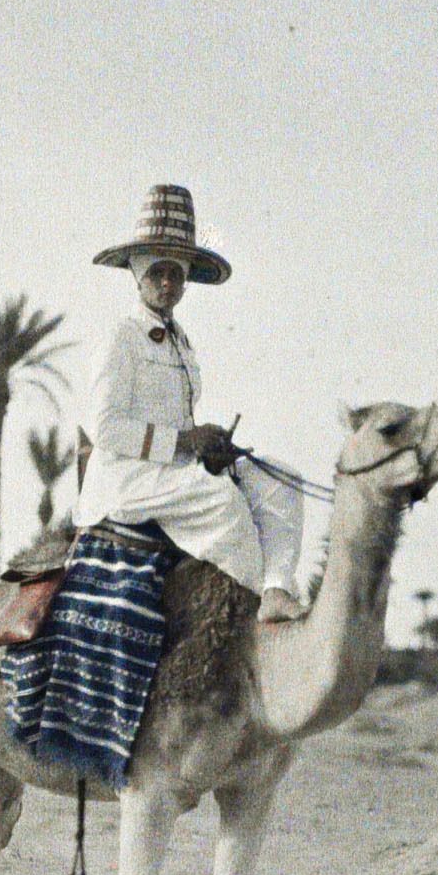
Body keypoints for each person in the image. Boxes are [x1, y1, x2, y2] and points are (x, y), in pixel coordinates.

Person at [75, 184, 306, 622]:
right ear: (138, 276)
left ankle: (276, 590)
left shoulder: (180, 340)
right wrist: (185, 442)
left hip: (173, 469)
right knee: (224, 503)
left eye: (175, 274)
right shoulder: (120, 338)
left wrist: (209, 443)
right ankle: (249, 615)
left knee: (280, 479)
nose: (167, 283)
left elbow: (181, 419)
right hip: (128, 478)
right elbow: (105, 429)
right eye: (157, 272)